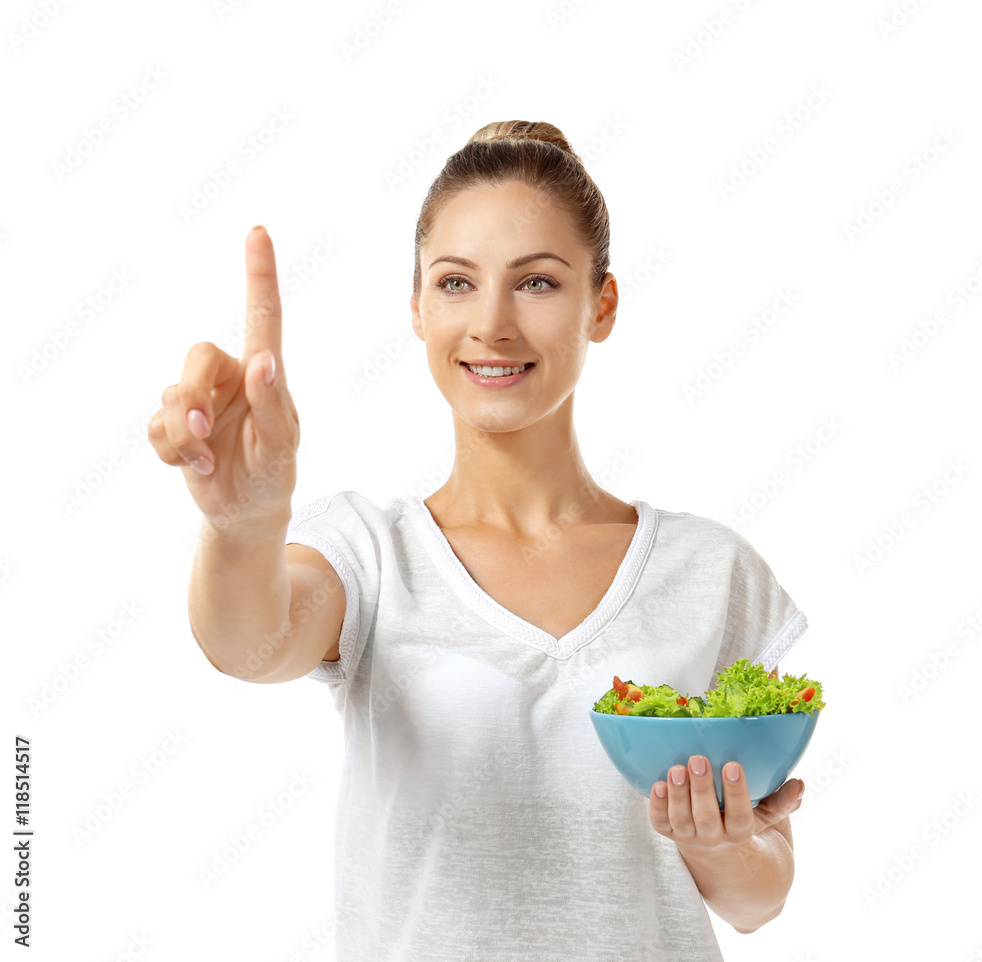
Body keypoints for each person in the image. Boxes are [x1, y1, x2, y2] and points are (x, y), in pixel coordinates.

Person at [149, 119, 810, 961]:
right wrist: (240, 526)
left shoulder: (711, 571)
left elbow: (760, 901)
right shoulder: (369, 554)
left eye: (536, 283)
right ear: (418, 309)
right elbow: (248, 643)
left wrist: (723, 846)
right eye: (457, 283)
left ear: (599, 304)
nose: (492, 324)